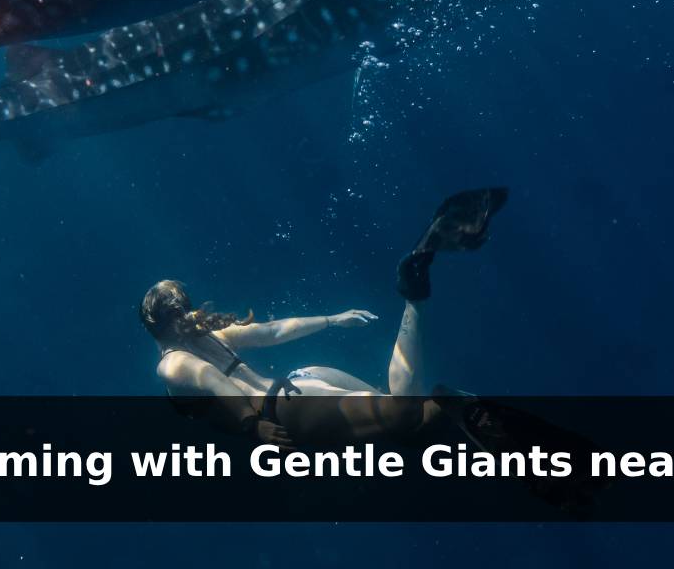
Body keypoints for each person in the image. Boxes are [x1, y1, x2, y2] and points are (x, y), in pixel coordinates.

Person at [143, 188, 574, 459]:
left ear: (154, 326)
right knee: (416, 418)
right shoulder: (211, 337)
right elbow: (275, 331)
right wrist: (332, 319)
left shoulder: (171, 364)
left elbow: (215, 384)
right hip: (301, 381)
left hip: (286, 410)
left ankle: (414, 299)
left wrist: (251, 426)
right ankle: (463, 412)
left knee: (400, 413)